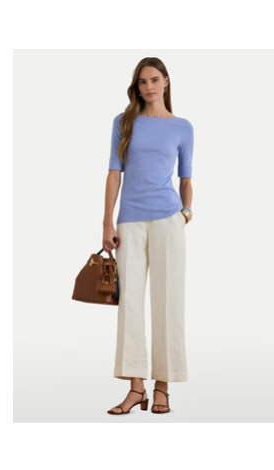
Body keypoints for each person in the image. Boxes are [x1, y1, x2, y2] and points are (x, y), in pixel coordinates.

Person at [103, 57, 194, 415]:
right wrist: (107, 223)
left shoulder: (182, 127)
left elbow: (186, 178)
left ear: (166, 82)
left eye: (154, 80)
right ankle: (135, 387)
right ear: (136, 87)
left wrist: (186, 213)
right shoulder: (124, 122)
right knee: (130, 303)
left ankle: (162, 388)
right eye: (142, 82)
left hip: (168, 221)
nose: (148, 87)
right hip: (130, 222)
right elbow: (114, 174)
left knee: (168, 301)